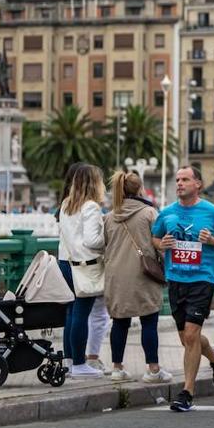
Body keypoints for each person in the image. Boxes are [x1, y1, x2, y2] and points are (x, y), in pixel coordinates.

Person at [152, 167, 214, 411]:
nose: (179, 183)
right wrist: (161, 244)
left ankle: (187, 391)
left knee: (191, 334)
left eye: (185, 179)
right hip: (175, 278)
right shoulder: (166, 213)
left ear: (198, 183)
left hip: (202, 278)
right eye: (177, 180)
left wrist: (212, 241)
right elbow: (154, 238)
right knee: (187, 338)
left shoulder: (212, 212)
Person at [103, 169, 169, 383]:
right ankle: (153, 369)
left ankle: (117, 368)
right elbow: (159, 243)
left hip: (116, 277)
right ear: (140, 189)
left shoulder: (110, 217)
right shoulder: (149, 213)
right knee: (149, 321)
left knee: (119, 323)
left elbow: (101, 245)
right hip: (143, 274)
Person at [57, 163, 108, 378]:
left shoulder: (67, 204)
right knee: (81, 314)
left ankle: (69, 361)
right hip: (85, 268)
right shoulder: (90, 207)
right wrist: (106, 236)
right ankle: (79, 363)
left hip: (65, 264)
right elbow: (92, 241)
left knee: (70, 314)